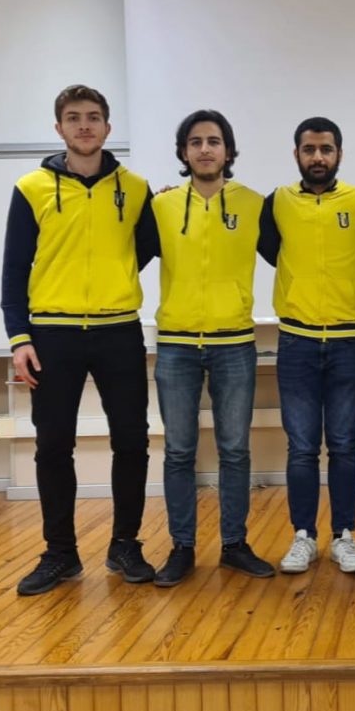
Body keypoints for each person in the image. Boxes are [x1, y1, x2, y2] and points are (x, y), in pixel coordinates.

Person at [1, 84, 158, 596]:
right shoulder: (31, 188)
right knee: (52, 446)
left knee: (132, 441)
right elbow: (14, 268)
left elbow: (143, 251)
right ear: (59, 128)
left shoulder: (136, 189)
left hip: (119, 330)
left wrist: (113, 280)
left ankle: (125, 545)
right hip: (52, 334)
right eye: (74, 117)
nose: (84, 125)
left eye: (93, 117)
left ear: (108, 128)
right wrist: (19, 336)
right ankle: (61, 554)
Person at [150, 110, 274, 587]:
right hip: (176, 346)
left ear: (228, 150)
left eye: (214, 141)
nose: (205, 149)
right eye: (196, 142)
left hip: (234, 345)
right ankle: (182, 548)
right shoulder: (160, 207)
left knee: (235, 450)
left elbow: (300, 249)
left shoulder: (255, 205)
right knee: (179, 452)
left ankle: (234, 545)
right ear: (184, 152)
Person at [257, 117, 355, 575]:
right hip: (297, 341)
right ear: (297, 155)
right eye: (309, 150)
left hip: (347, 340)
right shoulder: (277, 203)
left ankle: (344, 535)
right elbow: (271, 251)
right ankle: (303, 535)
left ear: (339, 154)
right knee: (302, 447)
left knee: (344, 444)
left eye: (326, 149)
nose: (318, 157)